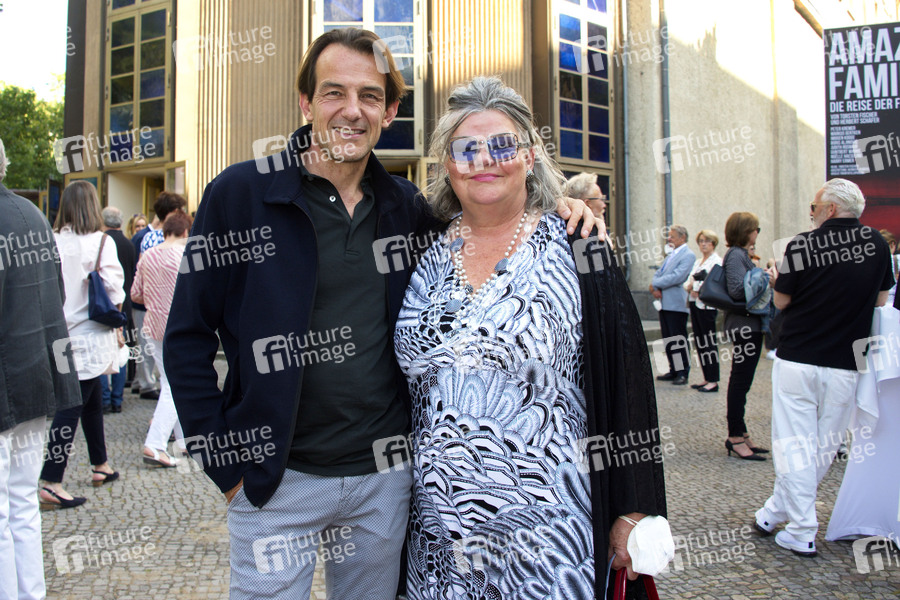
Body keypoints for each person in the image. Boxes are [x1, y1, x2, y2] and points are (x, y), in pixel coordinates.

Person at [164, 28, 599, 600]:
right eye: (334, 92)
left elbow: (490, 213)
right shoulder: (239, 195)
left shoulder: (405, 208)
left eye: (369, 96)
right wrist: (228, 468)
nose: (352, 110)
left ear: (390, 111)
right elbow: (186, 338)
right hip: (276, 483)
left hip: (385, 484)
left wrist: (559, 202)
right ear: (306, 102)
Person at [394, 76, 666, 598]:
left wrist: (634, 508)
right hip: (437, 538)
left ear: (530, 155)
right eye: (466, 148)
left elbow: (627, 376)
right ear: (447, 164)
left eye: (502, 145)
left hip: (549, 536)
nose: (484, 160)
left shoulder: (578, 245)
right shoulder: (420, 249)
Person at [752, 179, 893, 558]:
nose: (811, 213)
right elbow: (881, 300)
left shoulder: (802, 244)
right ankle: (774, 512)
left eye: (814, 207)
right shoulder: (877, 245)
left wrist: (781, 281)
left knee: (794, 445)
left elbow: (781, 302)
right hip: (847, 362)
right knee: (822, 448)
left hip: (798, 357)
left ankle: (801, 529)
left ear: (829, 209)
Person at [0, 138, 82, 599]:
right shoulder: (31, 214)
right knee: (22, 503)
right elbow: (56, 293)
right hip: (35, 374)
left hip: (11, 377)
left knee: (8, 508)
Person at [38, 181, 123, 509]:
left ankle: (101, 464)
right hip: (89, 336)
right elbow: (114, 291)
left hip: (59, 334)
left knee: (89, 400)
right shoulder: (101, 242)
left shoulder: (51, 241)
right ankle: (51, 480)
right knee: (72, 404)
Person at [132, 211, 191, 468]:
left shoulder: (148, 255)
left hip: (153, 326)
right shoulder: (185, 257)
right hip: (178, 328)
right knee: (174, 385)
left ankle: (184, 441)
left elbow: (135, 294)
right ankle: (155, 445)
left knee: (170, 381)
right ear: (185, 232)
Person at [720, 212, 772, 461]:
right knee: (740, 380)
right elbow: (737, 290)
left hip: (750, 325)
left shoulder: (741, 254)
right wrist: (764, 277)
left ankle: (741, 432)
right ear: (746, 231)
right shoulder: (736, 255)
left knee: (744, 380)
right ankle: (735, 437)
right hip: (744, 326)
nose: (757, 233)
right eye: (756, 229)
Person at [100, 206, 136, 413]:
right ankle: (117, 399)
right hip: (125, 303)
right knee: (120, 349)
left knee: (103, 351)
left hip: (105, 304)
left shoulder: (102, 242)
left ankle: (105, 398)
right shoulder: (129, 244)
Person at [650, 225, 695, 385]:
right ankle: (674, 369)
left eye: (672, 236)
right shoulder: (671, 255)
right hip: (665, 303)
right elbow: (659, 273)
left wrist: (656, 284)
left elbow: (678, 276)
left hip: (677, 304)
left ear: (682, 238)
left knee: (677, 339)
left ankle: (682, 371)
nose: (669, 239)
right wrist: (655, 285)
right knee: (668, 338)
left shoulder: (688, 255)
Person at [684, 229, 722, 392]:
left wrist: (698, 289)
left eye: (707, 241)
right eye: (701, 241)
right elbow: (688, 281)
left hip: (707, 306)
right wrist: (690, 286)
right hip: (694, 304)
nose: (703, 244)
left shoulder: (717, 261)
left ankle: (713, 380)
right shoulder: (698, 261)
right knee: (700, 342)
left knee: (709, 343)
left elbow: (715, 283)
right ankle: (706, 377)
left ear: (713, 243)